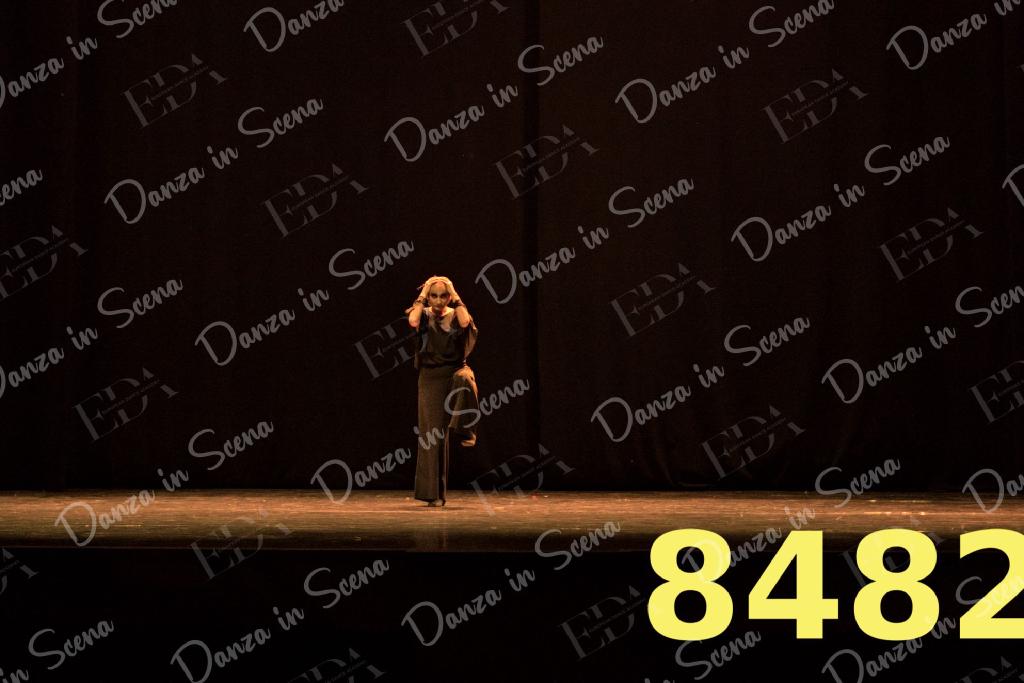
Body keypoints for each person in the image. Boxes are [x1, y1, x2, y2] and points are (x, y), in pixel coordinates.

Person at [405, 275, 480, 507]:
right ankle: (433, 494)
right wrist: (423, 294)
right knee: (432, 435)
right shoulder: (423, 314)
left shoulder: (456, 313)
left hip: (455, 370)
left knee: (466, 379)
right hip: (430, 377)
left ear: (449, 297)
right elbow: (413, 321)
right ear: (429, 297)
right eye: (434, 296)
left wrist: (455, 294)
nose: (438, 300)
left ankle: (466, 429)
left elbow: (465, 323)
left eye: (443, 296)